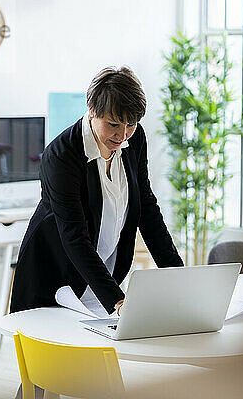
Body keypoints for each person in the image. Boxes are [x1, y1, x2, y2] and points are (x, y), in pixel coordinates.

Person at [10, 66, 184, 317]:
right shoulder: (61, 156)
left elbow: (147, 209)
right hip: (57, 281)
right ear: (92, 111)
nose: (123, 134)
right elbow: (74, 236)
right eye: (113, 123)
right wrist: (117, 301)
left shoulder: (133, 139)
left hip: (104, 280)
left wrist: (178, 276)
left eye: (131, 124)